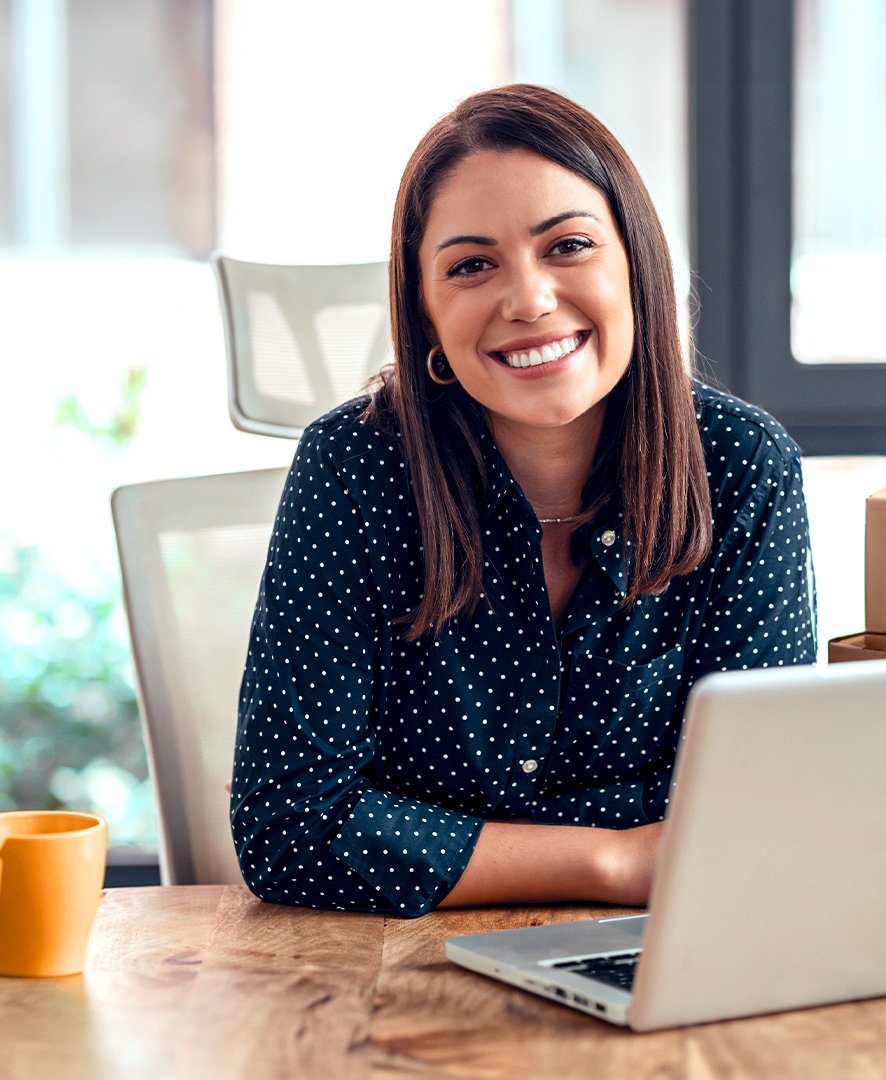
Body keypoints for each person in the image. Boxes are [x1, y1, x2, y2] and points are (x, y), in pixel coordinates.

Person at [231, 84, 816, 918]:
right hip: (383, 973)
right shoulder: (354, 466)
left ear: (635, 266)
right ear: (426, 315)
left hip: (674, 953)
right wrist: (616, 860)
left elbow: (756, 813)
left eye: (568, 245)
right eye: (471, 265)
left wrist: (425, 837)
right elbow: (289, 830)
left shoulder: (741, 467)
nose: (529, 300)